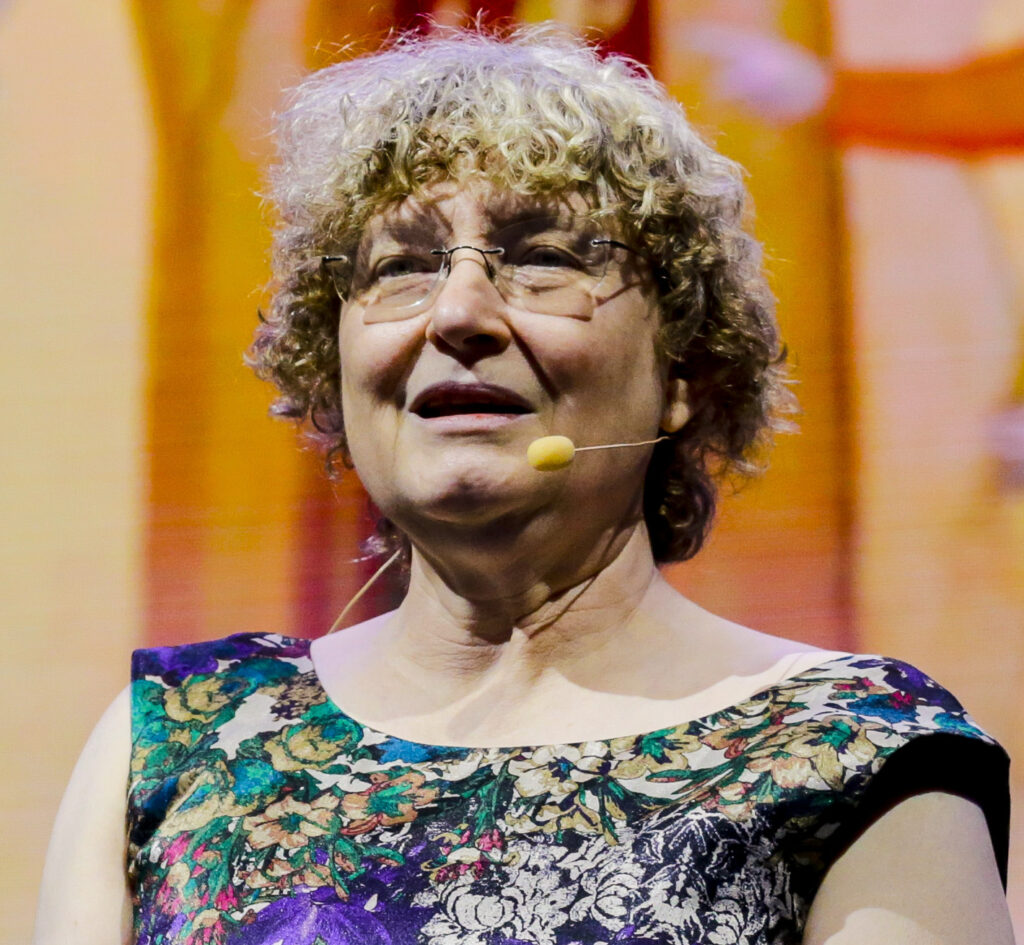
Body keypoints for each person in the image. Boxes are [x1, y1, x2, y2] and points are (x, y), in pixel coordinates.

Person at [34, 25, 1013, 945]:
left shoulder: (856, 752)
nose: (457, 310)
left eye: (542, 260)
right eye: (399, 267)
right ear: (330, 367)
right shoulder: (173, 736)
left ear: (681, 374)